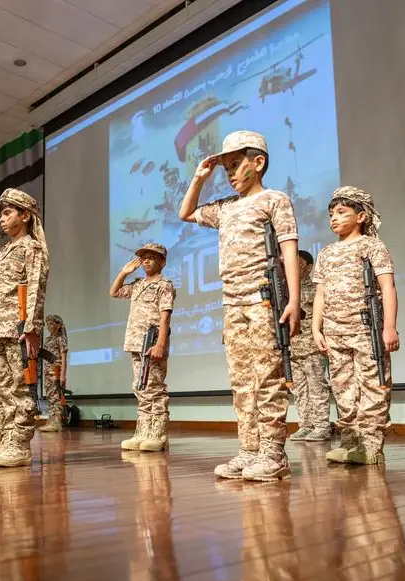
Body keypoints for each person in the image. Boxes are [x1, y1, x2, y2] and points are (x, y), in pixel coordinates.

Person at [179, 130, 300, 482]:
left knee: (267, 378)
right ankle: (249, 450)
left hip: (263, 299)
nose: (230, 174)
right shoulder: (225, 208)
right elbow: (186, 213)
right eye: (226, 167)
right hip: (233, 305)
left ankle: (273, 453)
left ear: (258, 162)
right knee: (242, 381)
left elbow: (289, 248)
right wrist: (200, 178)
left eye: (235, 165)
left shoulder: (273, 200)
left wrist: (293, 299)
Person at [312, 186, 399, 465]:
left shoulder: (372, 246)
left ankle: (371, 446)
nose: (333, 219)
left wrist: (389, 327)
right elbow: (321, 294)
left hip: (365, 330)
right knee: (343, 388)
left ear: (361, 216)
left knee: (373, 386)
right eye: (331, 214)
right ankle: (351, 443)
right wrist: (316, 328)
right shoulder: (326, 253)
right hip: (335, 332)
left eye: (341, 212)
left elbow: (387, 287)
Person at [0, 188, 49, 467]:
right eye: (1, 213)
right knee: (3, 387)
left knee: (20, 387)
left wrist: (31, 327)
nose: (2, 219)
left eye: (8, 212)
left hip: (18, 327)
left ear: (25, 215)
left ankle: (20, 444)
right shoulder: (4, 251)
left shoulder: (32, 248)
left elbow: (35, 287)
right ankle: (8, 440)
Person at [110, 243, 176, 452]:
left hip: (152, 341)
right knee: (140, 388)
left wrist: (160, 344)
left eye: (152, 257)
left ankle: (158, 433)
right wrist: (123, 272)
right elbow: (114, 292)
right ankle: (143, 431)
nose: (146, 261)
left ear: (162, 262)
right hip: (135, 342)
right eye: (144, 257)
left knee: (154, 387)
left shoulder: (164, 285)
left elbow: (165, 317)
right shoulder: (138, 284)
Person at [289, 250, 332, 441]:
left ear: (308, 267)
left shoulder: (316, 289)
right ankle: (306, 424)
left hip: (312, 346)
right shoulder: (287, 290)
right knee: (299, 390)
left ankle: (322, 426)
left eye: (296, 263)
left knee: (317, 388)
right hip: (293, 348)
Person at [39, 315, 68, 433]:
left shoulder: (61, 339)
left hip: (56, 371)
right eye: (48, 324)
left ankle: (56, 422)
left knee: (56, 396)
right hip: (47, 372)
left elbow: (64, 358)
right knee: (50, 397)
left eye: (51, 323)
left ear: (58, 325)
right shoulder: (47, 339)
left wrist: (62, 375)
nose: (49, 326)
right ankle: (50, 420)